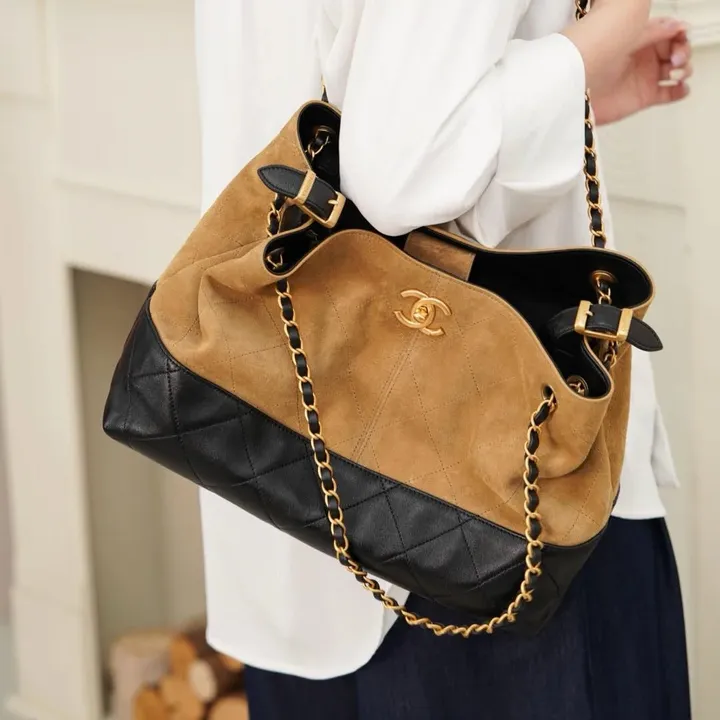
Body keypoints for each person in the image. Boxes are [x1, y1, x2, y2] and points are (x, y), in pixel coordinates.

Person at [194, 1, 692, 718]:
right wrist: (604, 32)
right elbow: (406, 176)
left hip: (288, 476)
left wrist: (555, 89)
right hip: (489, 504)